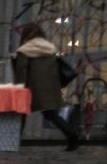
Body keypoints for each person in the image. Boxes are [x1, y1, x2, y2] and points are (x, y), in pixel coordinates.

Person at [13, 23, 80, 151]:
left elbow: (21, 71)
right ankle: (72, 135)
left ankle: (14, 143)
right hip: (50, 88)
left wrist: (19, 89)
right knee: (52, 115)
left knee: (21, 114)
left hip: (30, 89)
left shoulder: (24, 50)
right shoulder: (50, 49)